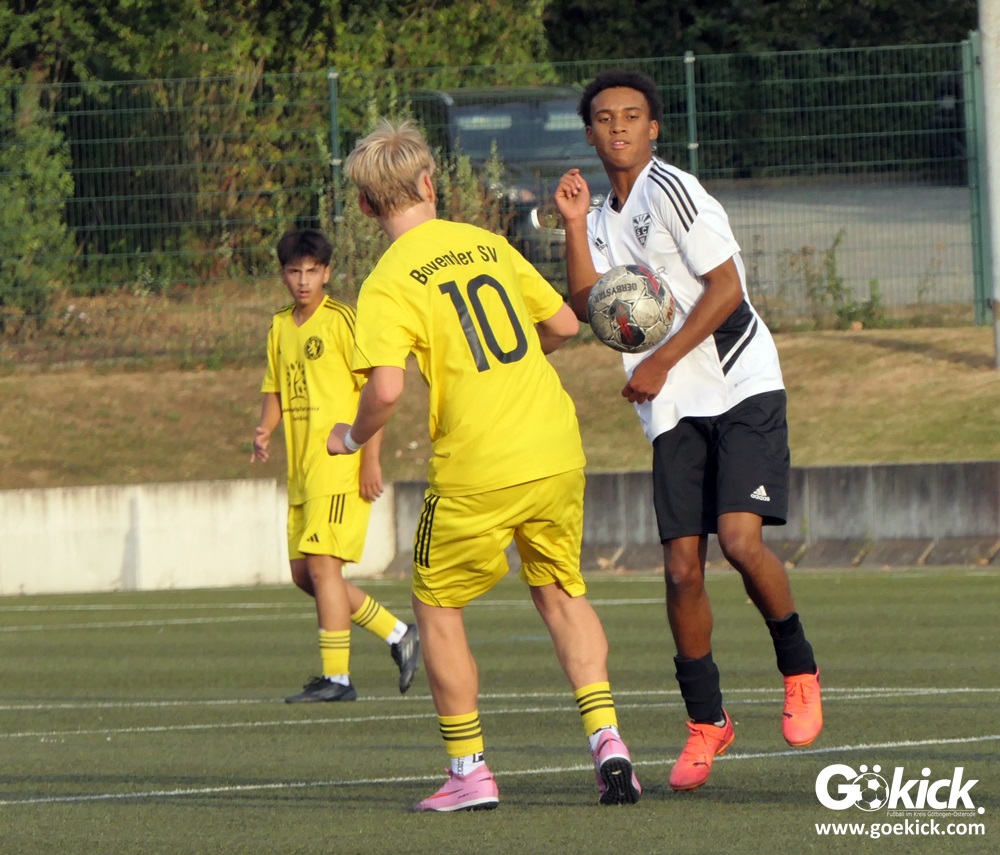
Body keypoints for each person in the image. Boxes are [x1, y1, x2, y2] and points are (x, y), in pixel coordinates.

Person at [327, 118, 641, 812]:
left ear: (367, 206)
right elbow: (563, 324)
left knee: (436, 606)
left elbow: (385, 389)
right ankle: (608, 741)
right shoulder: (485, 243)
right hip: (553, 445)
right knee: (561, 591)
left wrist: (351, 437)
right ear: (430, 184)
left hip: (478, 462)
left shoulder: (386, 282)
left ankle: (469, 770)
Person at [554, 69, 822, 793]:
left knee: (739, 540)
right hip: (672, 405)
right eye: (604, 118)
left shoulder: (674, 189)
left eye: (631, 116)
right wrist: (574, 225)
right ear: (589, 133)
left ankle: (799, 668)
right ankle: (707, 722)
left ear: (654, 128)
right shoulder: (602, 218)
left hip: (739, 383)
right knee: (680, 568)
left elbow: (727, 289)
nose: (617, 126)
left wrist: (661, 360)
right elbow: (589, 302)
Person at [251, 227, 420, 703]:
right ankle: (398, 634)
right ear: (283, 274)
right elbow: (275, 388)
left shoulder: (342, 321)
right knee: (305, 575)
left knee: (324, 568)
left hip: (339, 464)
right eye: (294, 271)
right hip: (301, 473)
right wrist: (264, 428)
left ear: (326, 273)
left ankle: (337, 678)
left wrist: (370, 459)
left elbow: (375, 392)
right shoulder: (280, 326)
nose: (303, 281)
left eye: (312, 271)